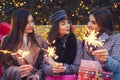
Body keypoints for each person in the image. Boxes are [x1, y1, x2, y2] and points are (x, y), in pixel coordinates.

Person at [0, 8, 44, 80]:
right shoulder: (7, 40)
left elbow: (43, 63)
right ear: (17, 23)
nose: (31, 25)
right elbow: (5, 67)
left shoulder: (39, 39)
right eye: (26, 22)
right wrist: (18, 71)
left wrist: (37, 76)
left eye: (32, 21)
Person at [43, 10, 83, 80]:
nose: (67, 26)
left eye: (68, 23)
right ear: (56, 27)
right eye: (63, 24)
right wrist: (53, 69)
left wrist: (63, 67)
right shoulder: (49, 42)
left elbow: (78, 67)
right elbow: (44, 65)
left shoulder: (77, 42)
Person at [82, 8, 120, 80]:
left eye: (93, 22)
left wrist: (106, 60)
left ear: (103, 24)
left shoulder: (116, 38)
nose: (89, 24)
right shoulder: (87, 39)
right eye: (89, 21)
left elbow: (118, 68)